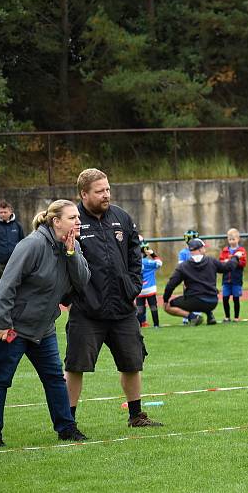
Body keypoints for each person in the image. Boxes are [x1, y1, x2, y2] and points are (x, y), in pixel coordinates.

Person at [0, 200, 89, 447]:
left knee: (54, 379)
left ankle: (67, 428)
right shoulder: (32, 244)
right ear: (55, 221)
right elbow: (7, 285)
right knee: (0, 379)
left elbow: (82, 281)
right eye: (72, 217)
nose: (78, 221)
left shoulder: (73, 247)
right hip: (12, 325)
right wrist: (3, 323)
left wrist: (71, 254)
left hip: (42, 327)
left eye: (78, 217)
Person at [64, 168, 162, 428]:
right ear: (84, 194)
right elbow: (61, 260)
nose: (106, 194)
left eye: (108, 189)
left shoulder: (121, 217)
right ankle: (67, 422)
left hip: (122, 308)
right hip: (87, 310)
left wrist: (133, 286)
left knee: (132, 362)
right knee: (75, 366)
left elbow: (134, 254)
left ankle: (136, 416)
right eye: (100, 191)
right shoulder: (71, 220)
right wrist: (73, 294)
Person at [163, 238, 244, 326]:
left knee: (168, 307)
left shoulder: (183, 266)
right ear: (200, 249)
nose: (205, 250)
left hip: (194, 302)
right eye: (204, 248)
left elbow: (171, 284)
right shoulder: (211, 261)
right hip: (212, 302)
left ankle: (192, 317)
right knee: (203, 296)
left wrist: (165, 299)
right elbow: (228, 267)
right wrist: (236, 257)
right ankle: (210, 315)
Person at [0, 200, 25, 285]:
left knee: (16, 287)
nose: (2, 214)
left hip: (15, 263)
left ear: (10, 212)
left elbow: (23, 244)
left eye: (5, 212)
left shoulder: (17, 225)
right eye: (1, 212)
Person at [219, 228, 247, 323]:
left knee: (236, 298)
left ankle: (236, 317)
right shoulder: (225, 250)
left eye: (233, 239)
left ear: (238, 239)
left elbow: (243, 263)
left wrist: (234, 261)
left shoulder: (241, 250)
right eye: (230, 239)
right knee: (225, 298)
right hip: (226, 279)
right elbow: (221, 262)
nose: (232, 241)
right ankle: (227, 316)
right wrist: (225, 262)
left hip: (236, 279)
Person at [137, 241, 162, 328]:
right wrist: (153, 254)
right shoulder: (148, 262)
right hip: (150, 288)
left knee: (140, 309)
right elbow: (159, 263)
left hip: (139, 289)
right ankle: (156, 325)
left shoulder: (134, 262)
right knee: (153, 307)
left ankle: (140, 325)